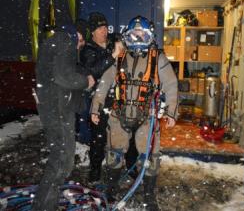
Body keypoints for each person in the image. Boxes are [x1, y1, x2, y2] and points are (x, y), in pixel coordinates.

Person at [91, 16, 178, 210]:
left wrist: (171, 112)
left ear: (150, 36)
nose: (138, 39)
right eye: (134, 35)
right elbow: (104, 83)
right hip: (119, 115)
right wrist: (95, 106)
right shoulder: (119, 57)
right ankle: (111, 189)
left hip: (146, 117)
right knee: (114, 155)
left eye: (142, 35)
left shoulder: (158, 59)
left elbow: (171, 85)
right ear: (127, 37)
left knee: (150, 158)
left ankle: (149, 195)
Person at [31, 20, 95, 211]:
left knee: (60, 161)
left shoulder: (56, 41)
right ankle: (44, 207)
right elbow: (63, 76)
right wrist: (86, 81)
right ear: (79, 35)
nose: (81, 45)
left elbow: (55, 75)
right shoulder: (66, 40)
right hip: (57, 111)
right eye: (82, 41)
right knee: (61, 162)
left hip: (54, 109)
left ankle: (43, 205)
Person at [78, 12, 124, 183]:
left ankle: (122, 164)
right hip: (99, 100)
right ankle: (95, 169)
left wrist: (121, 38)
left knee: (122, 134)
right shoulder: (88, 50)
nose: (104, 31)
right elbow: (94, 71)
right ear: (92, 31)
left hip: (119, 97)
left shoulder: (111, 41)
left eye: (106, 27)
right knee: (99, 138)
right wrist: (112, 55)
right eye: (100, 28)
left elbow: (120, 37)